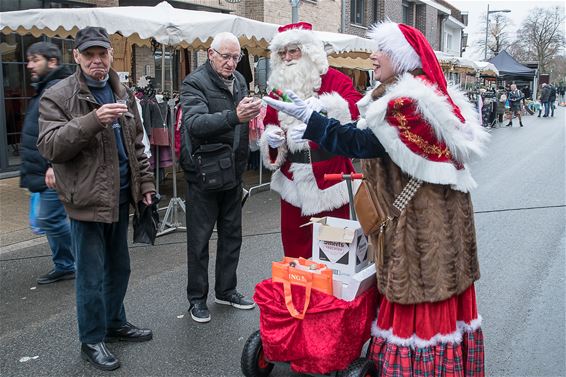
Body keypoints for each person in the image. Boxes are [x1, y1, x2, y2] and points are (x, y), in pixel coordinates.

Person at [264, 21, 488, 375]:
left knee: (417, 295)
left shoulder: (408, 104)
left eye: (380, 49)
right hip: (415, 218)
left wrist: (313, 120)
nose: (372, 55)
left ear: (400, 57)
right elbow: (359, 133)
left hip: (421, 224)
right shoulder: (392, 95)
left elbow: (360, 142)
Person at [37, 27, 155, 371]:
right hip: (85, 200)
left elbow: (136, 144)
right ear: (77, 57)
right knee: (90, 275)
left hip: (120, 197)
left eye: (102, 54)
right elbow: (50, 145)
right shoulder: (59, 95)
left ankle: (114, 322)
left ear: (109, 54)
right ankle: (91, 338)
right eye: (89, 55)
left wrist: (145, 184)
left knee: (119, 268)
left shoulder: (123, 92)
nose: (97, 61)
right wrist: (92, 121)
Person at [259, 22, 362, 259]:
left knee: (335, 254)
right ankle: (298, 295)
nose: (287, 58)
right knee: (296, 253)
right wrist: (272, 140)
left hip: (331, 179)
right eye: (282, 53)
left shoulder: (334, 79)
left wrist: (325, 109)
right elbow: (270, 124)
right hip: (292, 183)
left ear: (308, 51)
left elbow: (356, 109)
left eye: (293, 50)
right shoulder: (278, 90)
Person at [180, 32, 261, 324]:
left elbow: (240, 122)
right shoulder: (194, 82)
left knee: (232, 236)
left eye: (235, 57)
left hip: (233, 172)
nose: (230, 62)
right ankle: (196, 300)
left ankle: (226, 290)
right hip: (203, 173)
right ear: (210, 54)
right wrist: (234, 116)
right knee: (199, 241)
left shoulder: (240, 80)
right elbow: (195, 123)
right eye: (225, 56)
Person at [19, 42, 75, 285]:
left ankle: (76, 260)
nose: (29, 65)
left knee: (49, 219)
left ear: (52, 62)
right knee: (50, 218)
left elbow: (63, 130)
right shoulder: (45, 88)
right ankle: (64, 264)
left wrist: (54, 163)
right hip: (42, 171)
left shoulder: (55, 90)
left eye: (35, 59)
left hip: (52, 172)